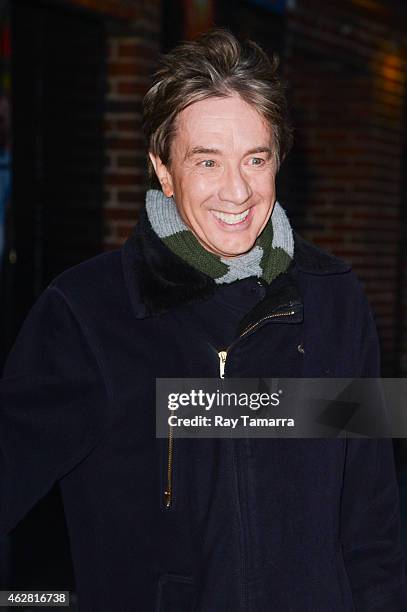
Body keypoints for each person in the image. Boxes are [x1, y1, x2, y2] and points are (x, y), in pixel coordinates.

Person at [1, 28, 406, 611]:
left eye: (255, 159)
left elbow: (371, 518)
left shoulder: (336, 302)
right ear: (163, 170)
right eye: (207, 161)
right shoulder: (87, 313)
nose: (237, 190)